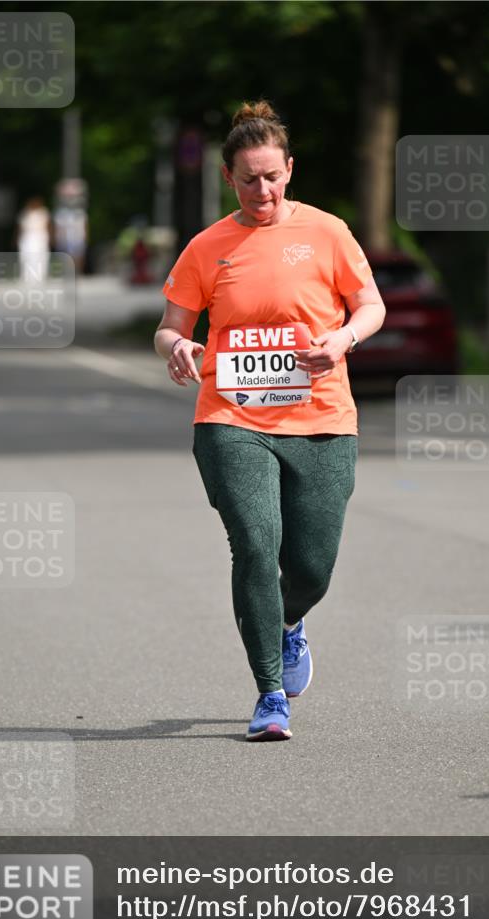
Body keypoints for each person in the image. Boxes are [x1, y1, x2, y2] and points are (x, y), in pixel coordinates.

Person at [154, 100, 386, 741]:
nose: (262, 190)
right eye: (248, 178)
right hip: (231, 415)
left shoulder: (328, 232)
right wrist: (176, 346)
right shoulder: (208, 247)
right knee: (256, 545)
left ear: (289, 170)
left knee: (311, 566)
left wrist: (341, 341)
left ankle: (288, 624)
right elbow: (171, 325)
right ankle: (269, 694)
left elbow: (370, 306)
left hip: (322, 417)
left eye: (272, 176)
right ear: (229, 178)